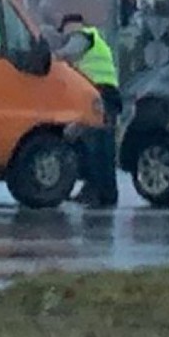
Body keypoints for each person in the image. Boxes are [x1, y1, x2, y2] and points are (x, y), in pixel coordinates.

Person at [55, 13, 121, 207]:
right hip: (101, 97)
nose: (64, 35)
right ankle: (94, 189)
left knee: (98, 146)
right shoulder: (95, 39)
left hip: (101, 97)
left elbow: (68, 52)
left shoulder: (84, 36)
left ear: (71, 26)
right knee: (91, 145)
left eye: (64, 30)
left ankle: (104, 194)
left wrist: (53, 56)